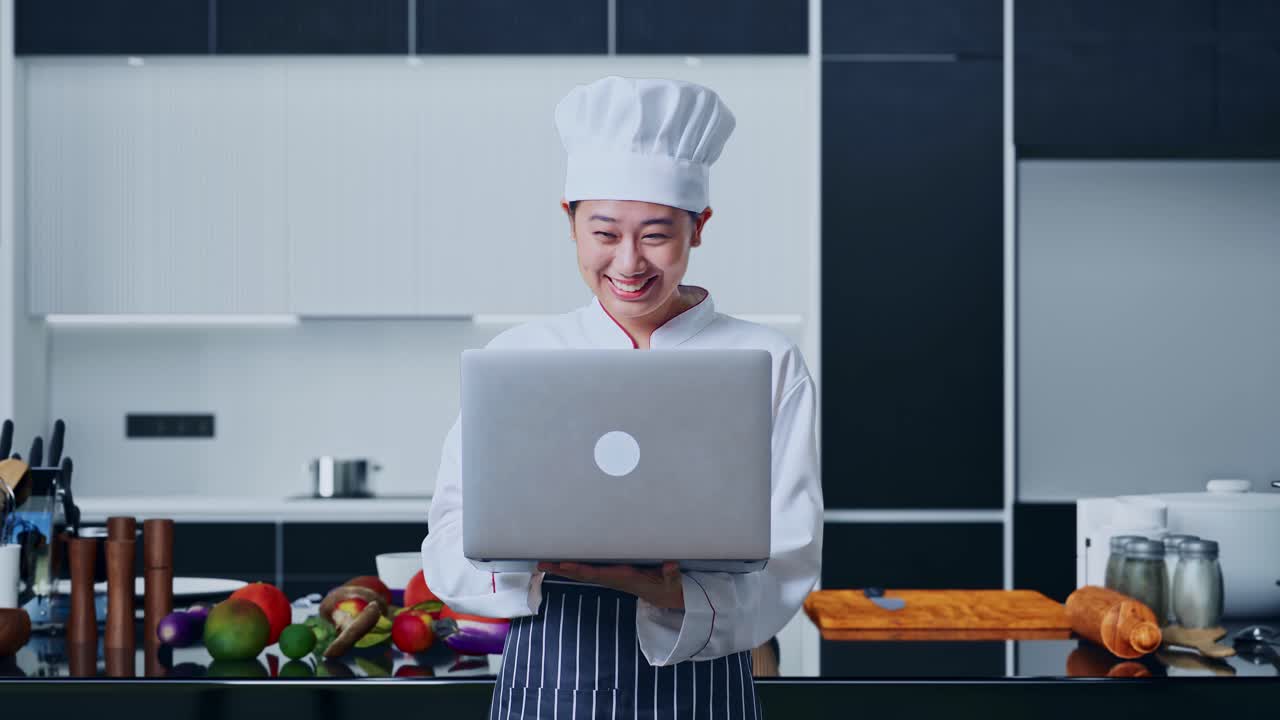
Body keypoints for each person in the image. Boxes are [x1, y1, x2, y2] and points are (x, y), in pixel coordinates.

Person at [421, 75, 822, 719]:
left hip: (702, 688)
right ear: (570, 221)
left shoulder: (768, 362)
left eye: (657, 235)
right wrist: (542, 564)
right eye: (605, 233)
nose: (629, 263)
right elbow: (447, 538)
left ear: (699, 227)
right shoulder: (520, 358)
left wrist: (671, 592)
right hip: (549, 680)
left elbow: (792, 554)